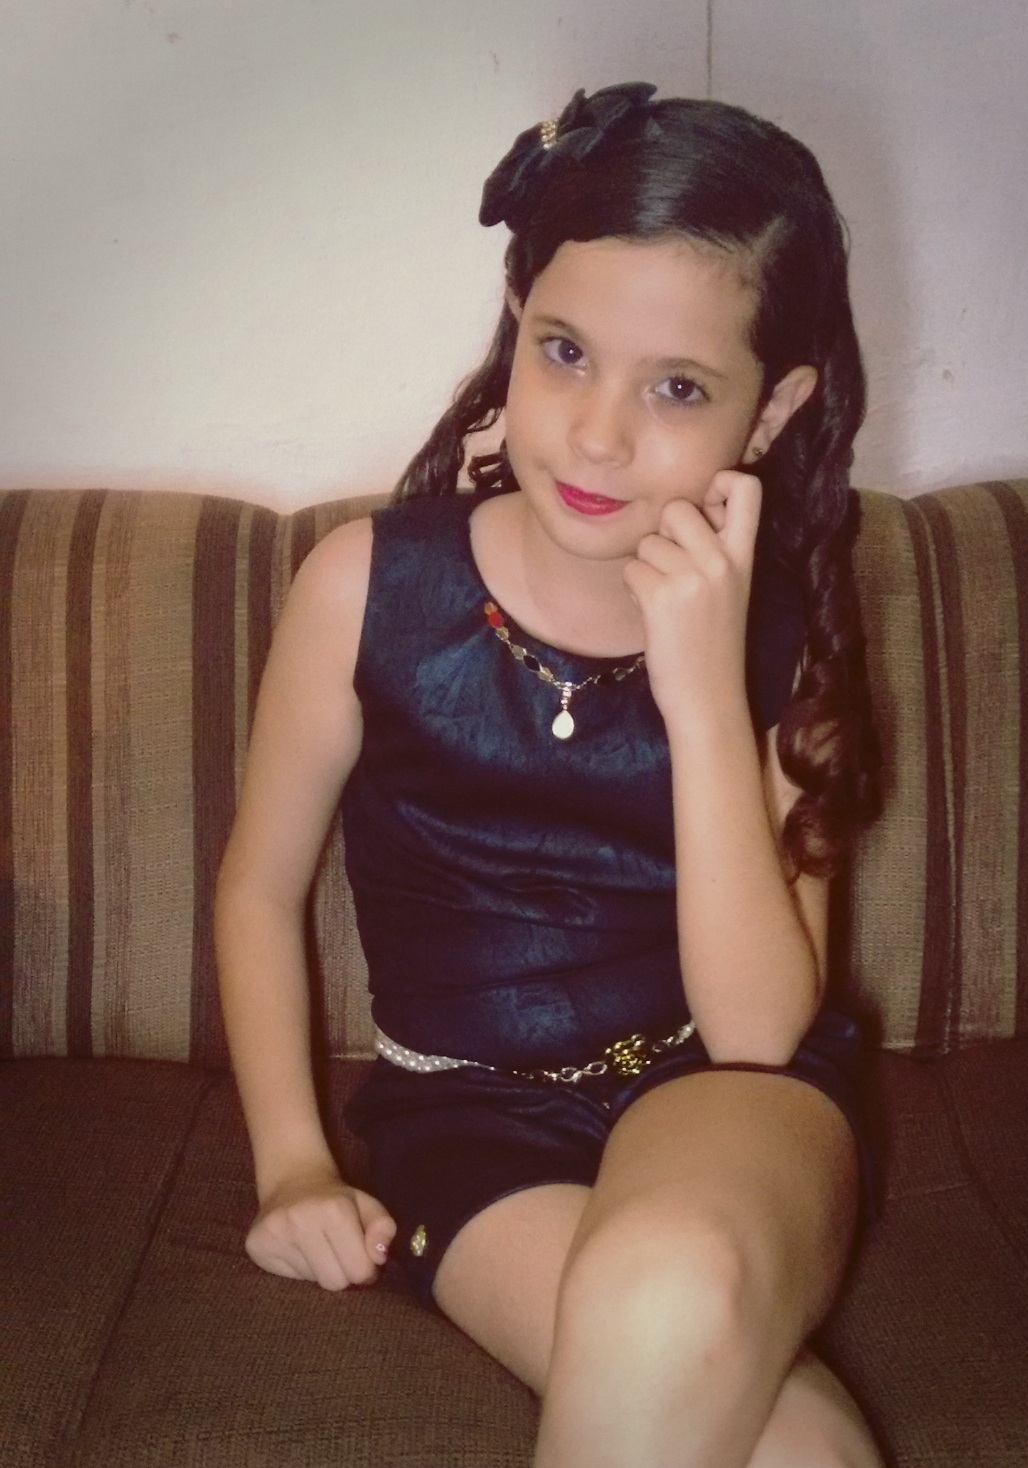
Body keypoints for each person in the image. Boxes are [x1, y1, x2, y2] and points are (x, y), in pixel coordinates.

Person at [216, 81, 884, 1468]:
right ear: (516, 319)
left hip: (728, 1097)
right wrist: (292, 1165)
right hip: (469, 1121)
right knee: (803, 1452)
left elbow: (760, 1030)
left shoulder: (787, 634)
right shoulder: (363, 587)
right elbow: (257, 890)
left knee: (671, 1280)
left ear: (774, 410)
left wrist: (703, 695)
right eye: (566, 352)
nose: (597, 434)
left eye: (679, 387)